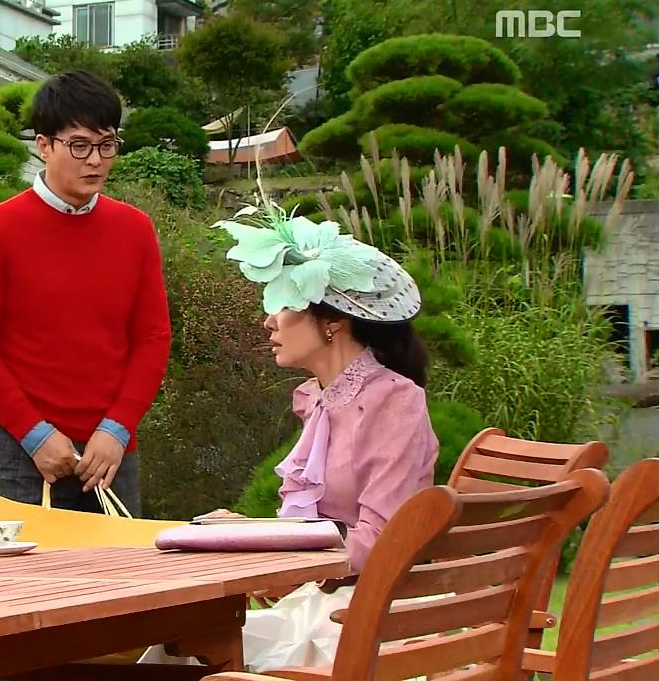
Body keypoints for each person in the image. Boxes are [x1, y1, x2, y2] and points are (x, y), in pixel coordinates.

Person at [140, 204, 439, 671]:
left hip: (369, 616)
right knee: (174, 644)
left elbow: (382, 540)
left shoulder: (394, 401)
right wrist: (248, 533)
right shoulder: (320, 399)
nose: (268, 321)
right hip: (328, 604)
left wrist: (274, 552)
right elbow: (327, 525)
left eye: (283, 305)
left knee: (189, 653)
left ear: (333, 322)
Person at [0, 70, 172, 516]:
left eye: (106, 145)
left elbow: (153, 337)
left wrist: (118, 428)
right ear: (43, 145)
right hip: (26, 452)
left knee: (120, 563)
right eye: (80, 146)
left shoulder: (134, 230)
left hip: (112, 452)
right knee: (29, 565)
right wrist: (34, 434)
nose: (95, 161)